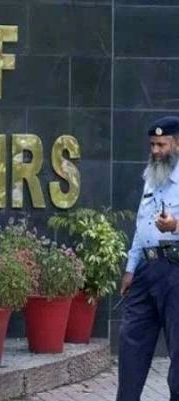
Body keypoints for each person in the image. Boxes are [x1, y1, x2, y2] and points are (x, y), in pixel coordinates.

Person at [117, 116, 179, 400]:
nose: (155, 151)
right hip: (145, 269)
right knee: (130, 342)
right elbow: (141, 226)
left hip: (175, 271)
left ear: (177, 144)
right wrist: (131, 269)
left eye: (161, 145)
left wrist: (175, 225)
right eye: (152, 145)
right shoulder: (151, 177)